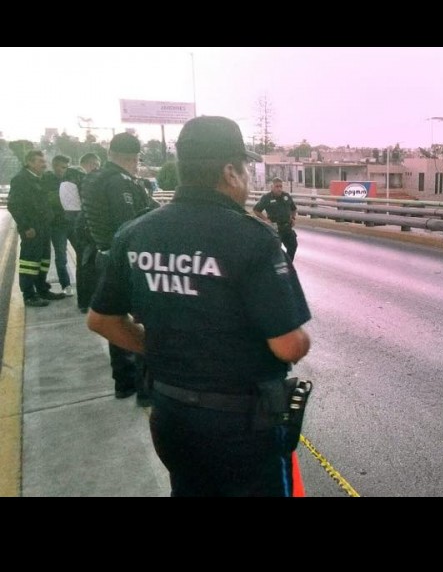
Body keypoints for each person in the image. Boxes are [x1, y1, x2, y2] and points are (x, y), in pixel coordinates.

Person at [87, 115, 312, 497]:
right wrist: (304, 341)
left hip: (170, 414)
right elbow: (288, 345)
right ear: (230, 172)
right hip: (240, 425)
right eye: (244, 168)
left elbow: (101, 320)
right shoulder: (252, 238)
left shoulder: (137, 232)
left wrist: (156, 347)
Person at [81, 133, 153, 403]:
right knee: (143, 320)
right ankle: (144, 389)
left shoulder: (95, 179)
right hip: (126, 259)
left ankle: (123, 381)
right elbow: (131, 225)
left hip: (105, 254)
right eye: (137, 160)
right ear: (132, 158)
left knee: (116, 318)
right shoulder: (119, 183)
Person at [7, 150, 67, 307]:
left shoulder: (39, 178)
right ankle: (29, 295)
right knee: (30, 262)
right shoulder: (21, 179)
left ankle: (42, 289)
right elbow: (14, 205)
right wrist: (26, 226)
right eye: (40, 161)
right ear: (29, 162)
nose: (44, 164)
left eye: (44, 161)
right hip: (32, 228)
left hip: (44, 227)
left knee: (43, 260)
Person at [64, 153, 102, 313]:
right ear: (87, 164)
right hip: (87, 228)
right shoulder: (85, 181)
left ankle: (85, 302)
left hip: (81, 227)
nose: (96, 167)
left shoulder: (72, 180)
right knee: (88, 266)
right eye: (94, 164)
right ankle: (89, 302)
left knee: (84, 265)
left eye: (97, 164)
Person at [41, 154, 75, 295]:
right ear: (54, 166)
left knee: (83, 253)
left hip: (72, 222)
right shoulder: (46, 180)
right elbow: (45, 200)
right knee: (61, 256)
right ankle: (66, 284)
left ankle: (84, 283)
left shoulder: (72, 177)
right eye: (61, 167)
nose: (63, 170)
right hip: (57, 224)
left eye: (66, 167)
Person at [253, 177, 298, 261]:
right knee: (275, 250)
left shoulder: (286, 196)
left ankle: (288, 264)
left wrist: (293, 218)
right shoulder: (267, 198)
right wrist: (265, 219)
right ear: (272, 187)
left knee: (293, 246)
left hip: (287, 227)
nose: (279, 189)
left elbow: (294, 209)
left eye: (281, 186)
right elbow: (256, 210)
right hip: (275, 228)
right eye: (277, 186)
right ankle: (278, 265)